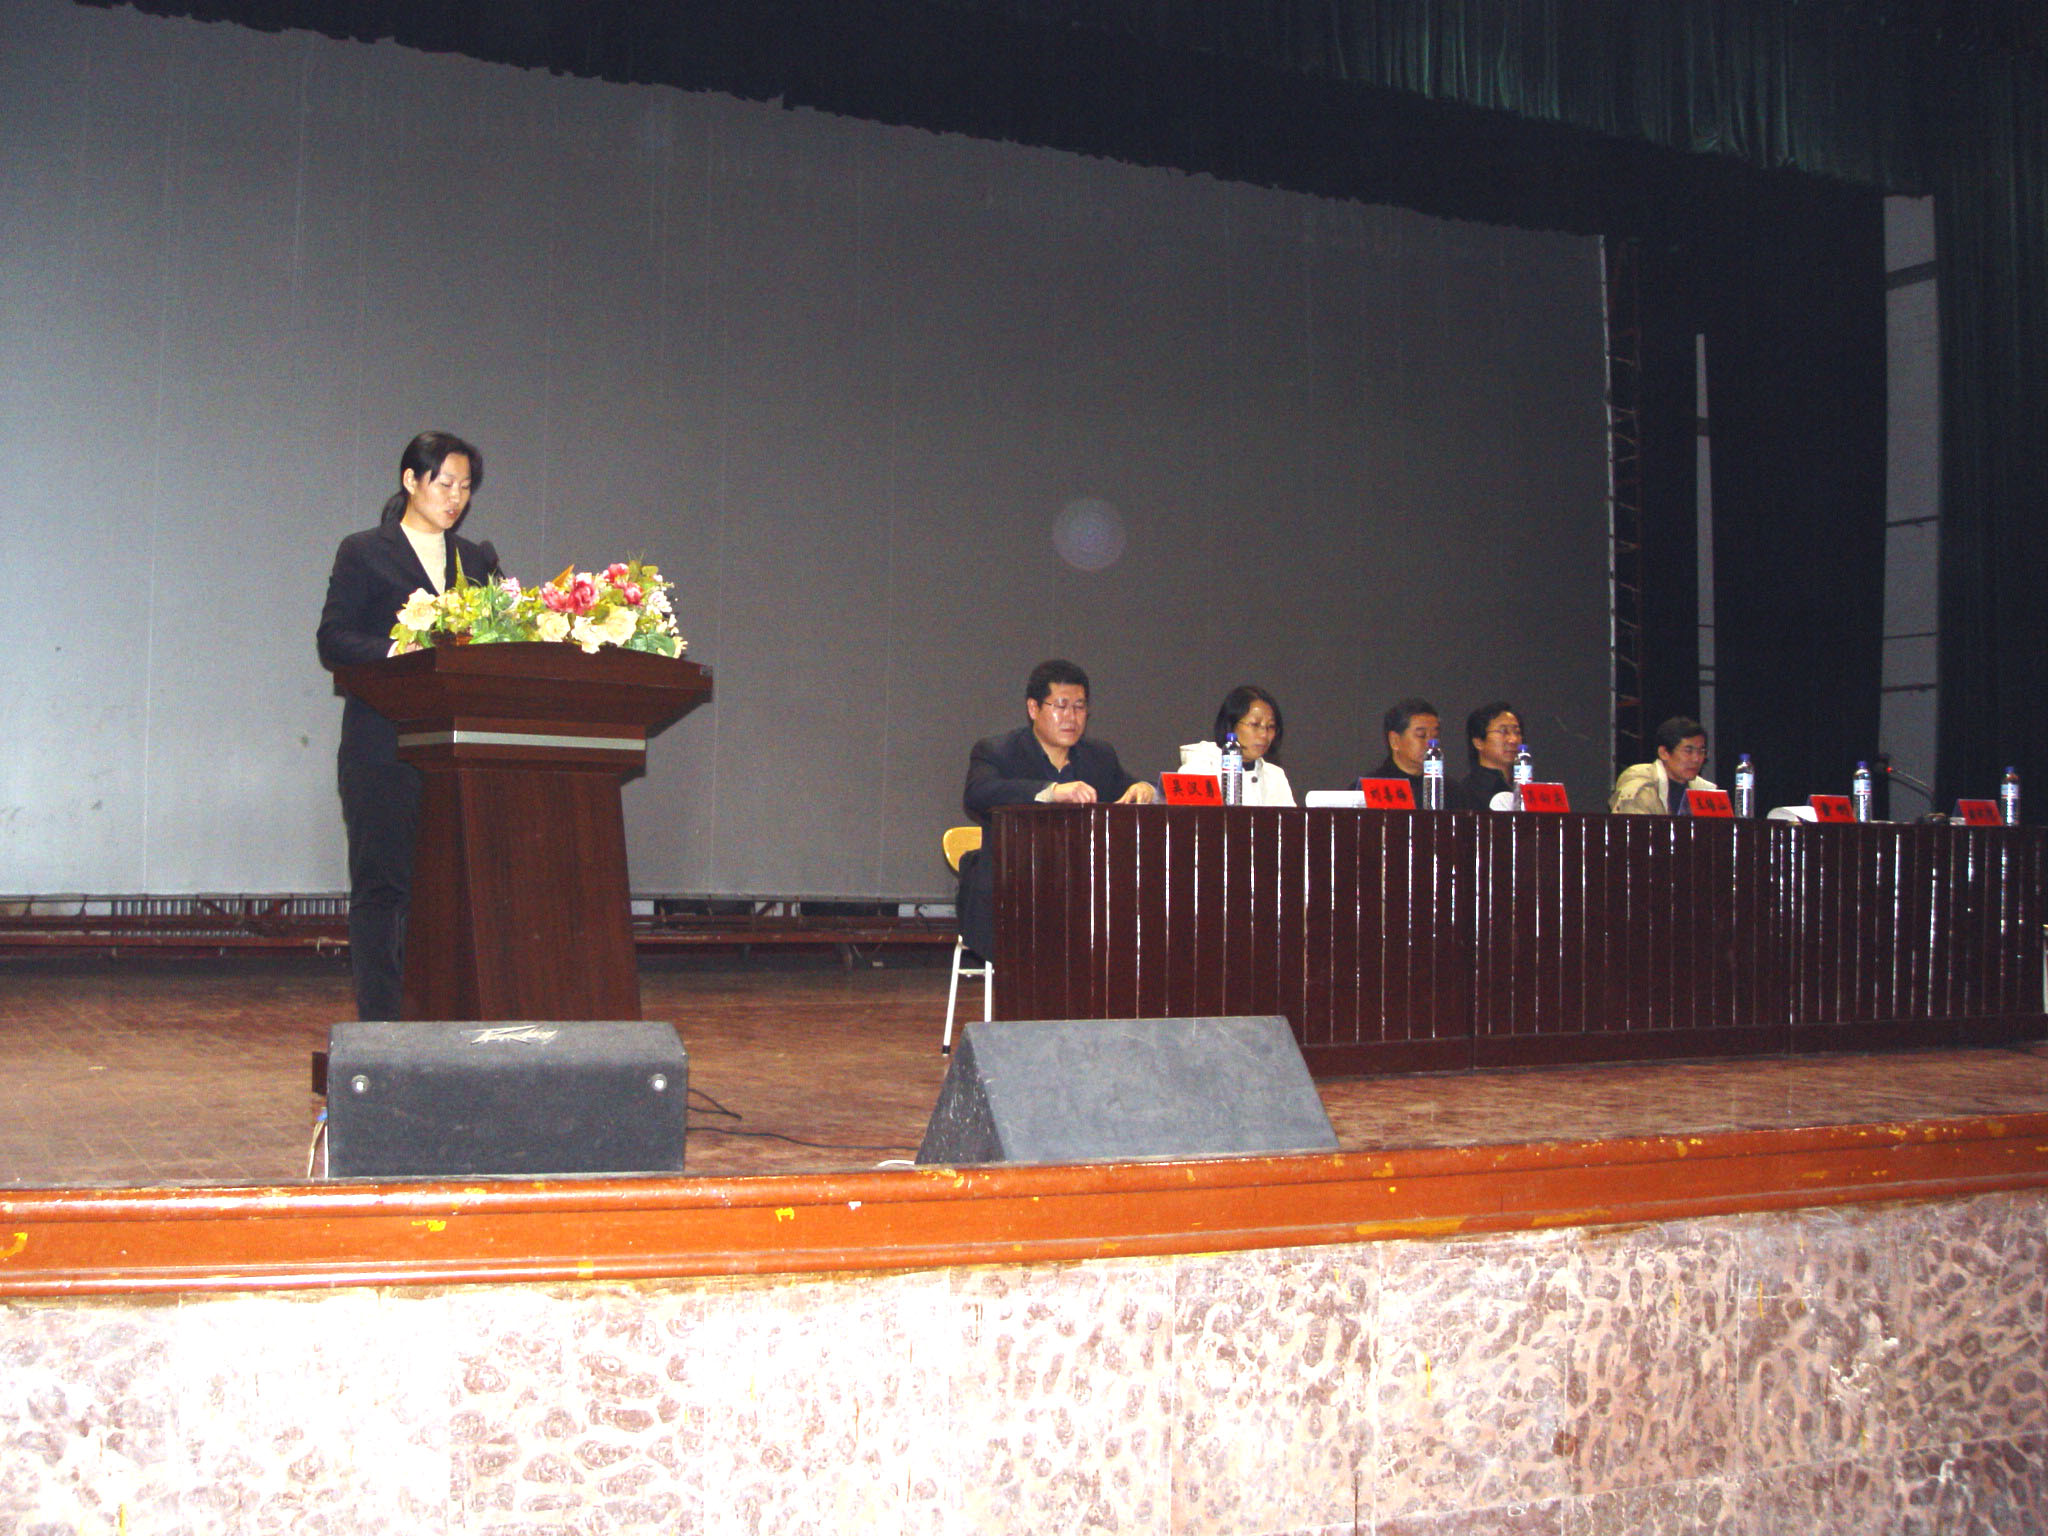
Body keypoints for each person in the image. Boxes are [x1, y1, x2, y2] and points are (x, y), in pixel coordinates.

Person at [316, 431, 500, 1020]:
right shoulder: (364, 551)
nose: (455, 498)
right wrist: (401, 651)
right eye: (444, 483)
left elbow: (498, 641)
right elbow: (334, 639)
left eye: (465, 487)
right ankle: (381, 1024)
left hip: (455, 752)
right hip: (382, 746)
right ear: (410, 481)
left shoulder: (477, 561)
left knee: (448, 890)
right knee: (384, 889)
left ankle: (442, 1016)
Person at [957, 659, 1156, 958]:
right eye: (1060, 706)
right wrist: (1050, 792)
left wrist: (1146, 789)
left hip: (1085, 896)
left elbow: (1131, 787)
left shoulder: (1099, 756)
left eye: (1079, 707)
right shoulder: (997, 751)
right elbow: (978, 794)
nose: (1071, 718)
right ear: (1033, 708)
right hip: (1016, 892)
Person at [1176, 685, 1296, 806]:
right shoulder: (1197, 769)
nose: (1264, 734)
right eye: (1255, 724)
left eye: (1271, 726)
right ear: (1231, 724)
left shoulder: (1275, 776)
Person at [1611, 716, 1717, 815]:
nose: (1696, 759)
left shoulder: (1705, 791)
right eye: (1688, 751)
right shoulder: (1640, 787)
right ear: (1664, 753)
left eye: (1701, 751)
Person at [1448, 701, 1522, 810]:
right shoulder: (1465, 794)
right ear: (1478, 742)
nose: (1513, 740)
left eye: (1517, 732)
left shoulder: (1525, 788)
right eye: (1504, 731)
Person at [1367, 696, 1440, 794]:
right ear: (1394, 740)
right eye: (1421, 735)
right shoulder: (1371, 789)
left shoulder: (1449, 790)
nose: (1430, 744)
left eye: (1435, 736)